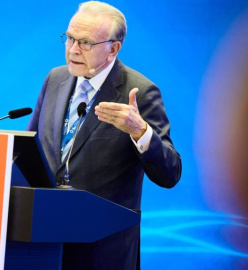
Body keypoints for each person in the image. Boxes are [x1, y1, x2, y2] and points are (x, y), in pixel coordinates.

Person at [27, 1, 182, 269]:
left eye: (85, 42)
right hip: (44, 238)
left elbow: (170, 173)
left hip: (102, 250)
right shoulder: (55, 78)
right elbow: (29, 152)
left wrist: (140, 131)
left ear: (113, 48)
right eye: (70, 38)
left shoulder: (140, 92)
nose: (73, 49)